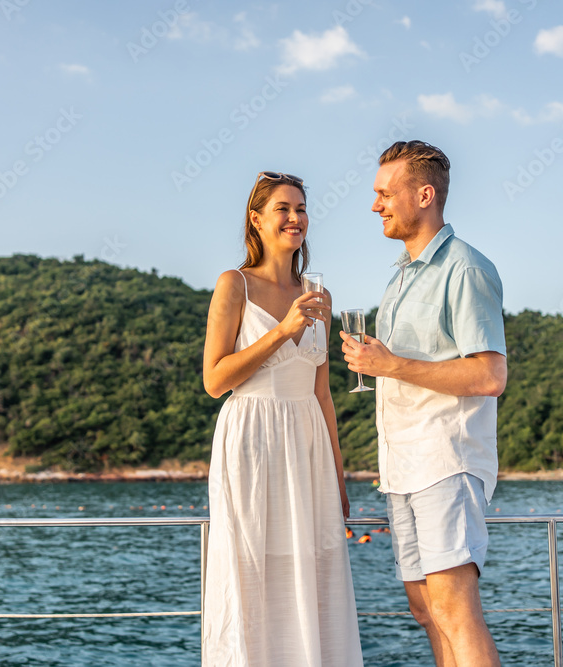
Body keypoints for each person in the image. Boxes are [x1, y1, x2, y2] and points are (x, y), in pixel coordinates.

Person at [340, 141, 507, 667]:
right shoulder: (400, 277)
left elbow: (490, 374)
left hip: (447, 461)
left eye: (385, 194)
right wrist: (377, 363)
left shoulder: (465, 269)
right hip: (403, 467)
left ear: (425, 194)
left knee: (454, 608)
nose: (376, 205)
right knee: (425, 607)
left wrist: (391, 366)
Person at [201, 171, 364, 666]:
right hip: (251, 437)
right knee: (251, 570)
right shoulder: (235, 284)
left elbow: (324, 395)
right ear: (256, 219)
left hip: (307, 441)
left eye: (301, 209)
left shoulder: (320, 296)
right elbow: (214, 380)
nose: (295, 218)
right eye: (283, 209)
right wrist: (283, 330)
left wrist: (338, 476)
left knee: (310, 571)